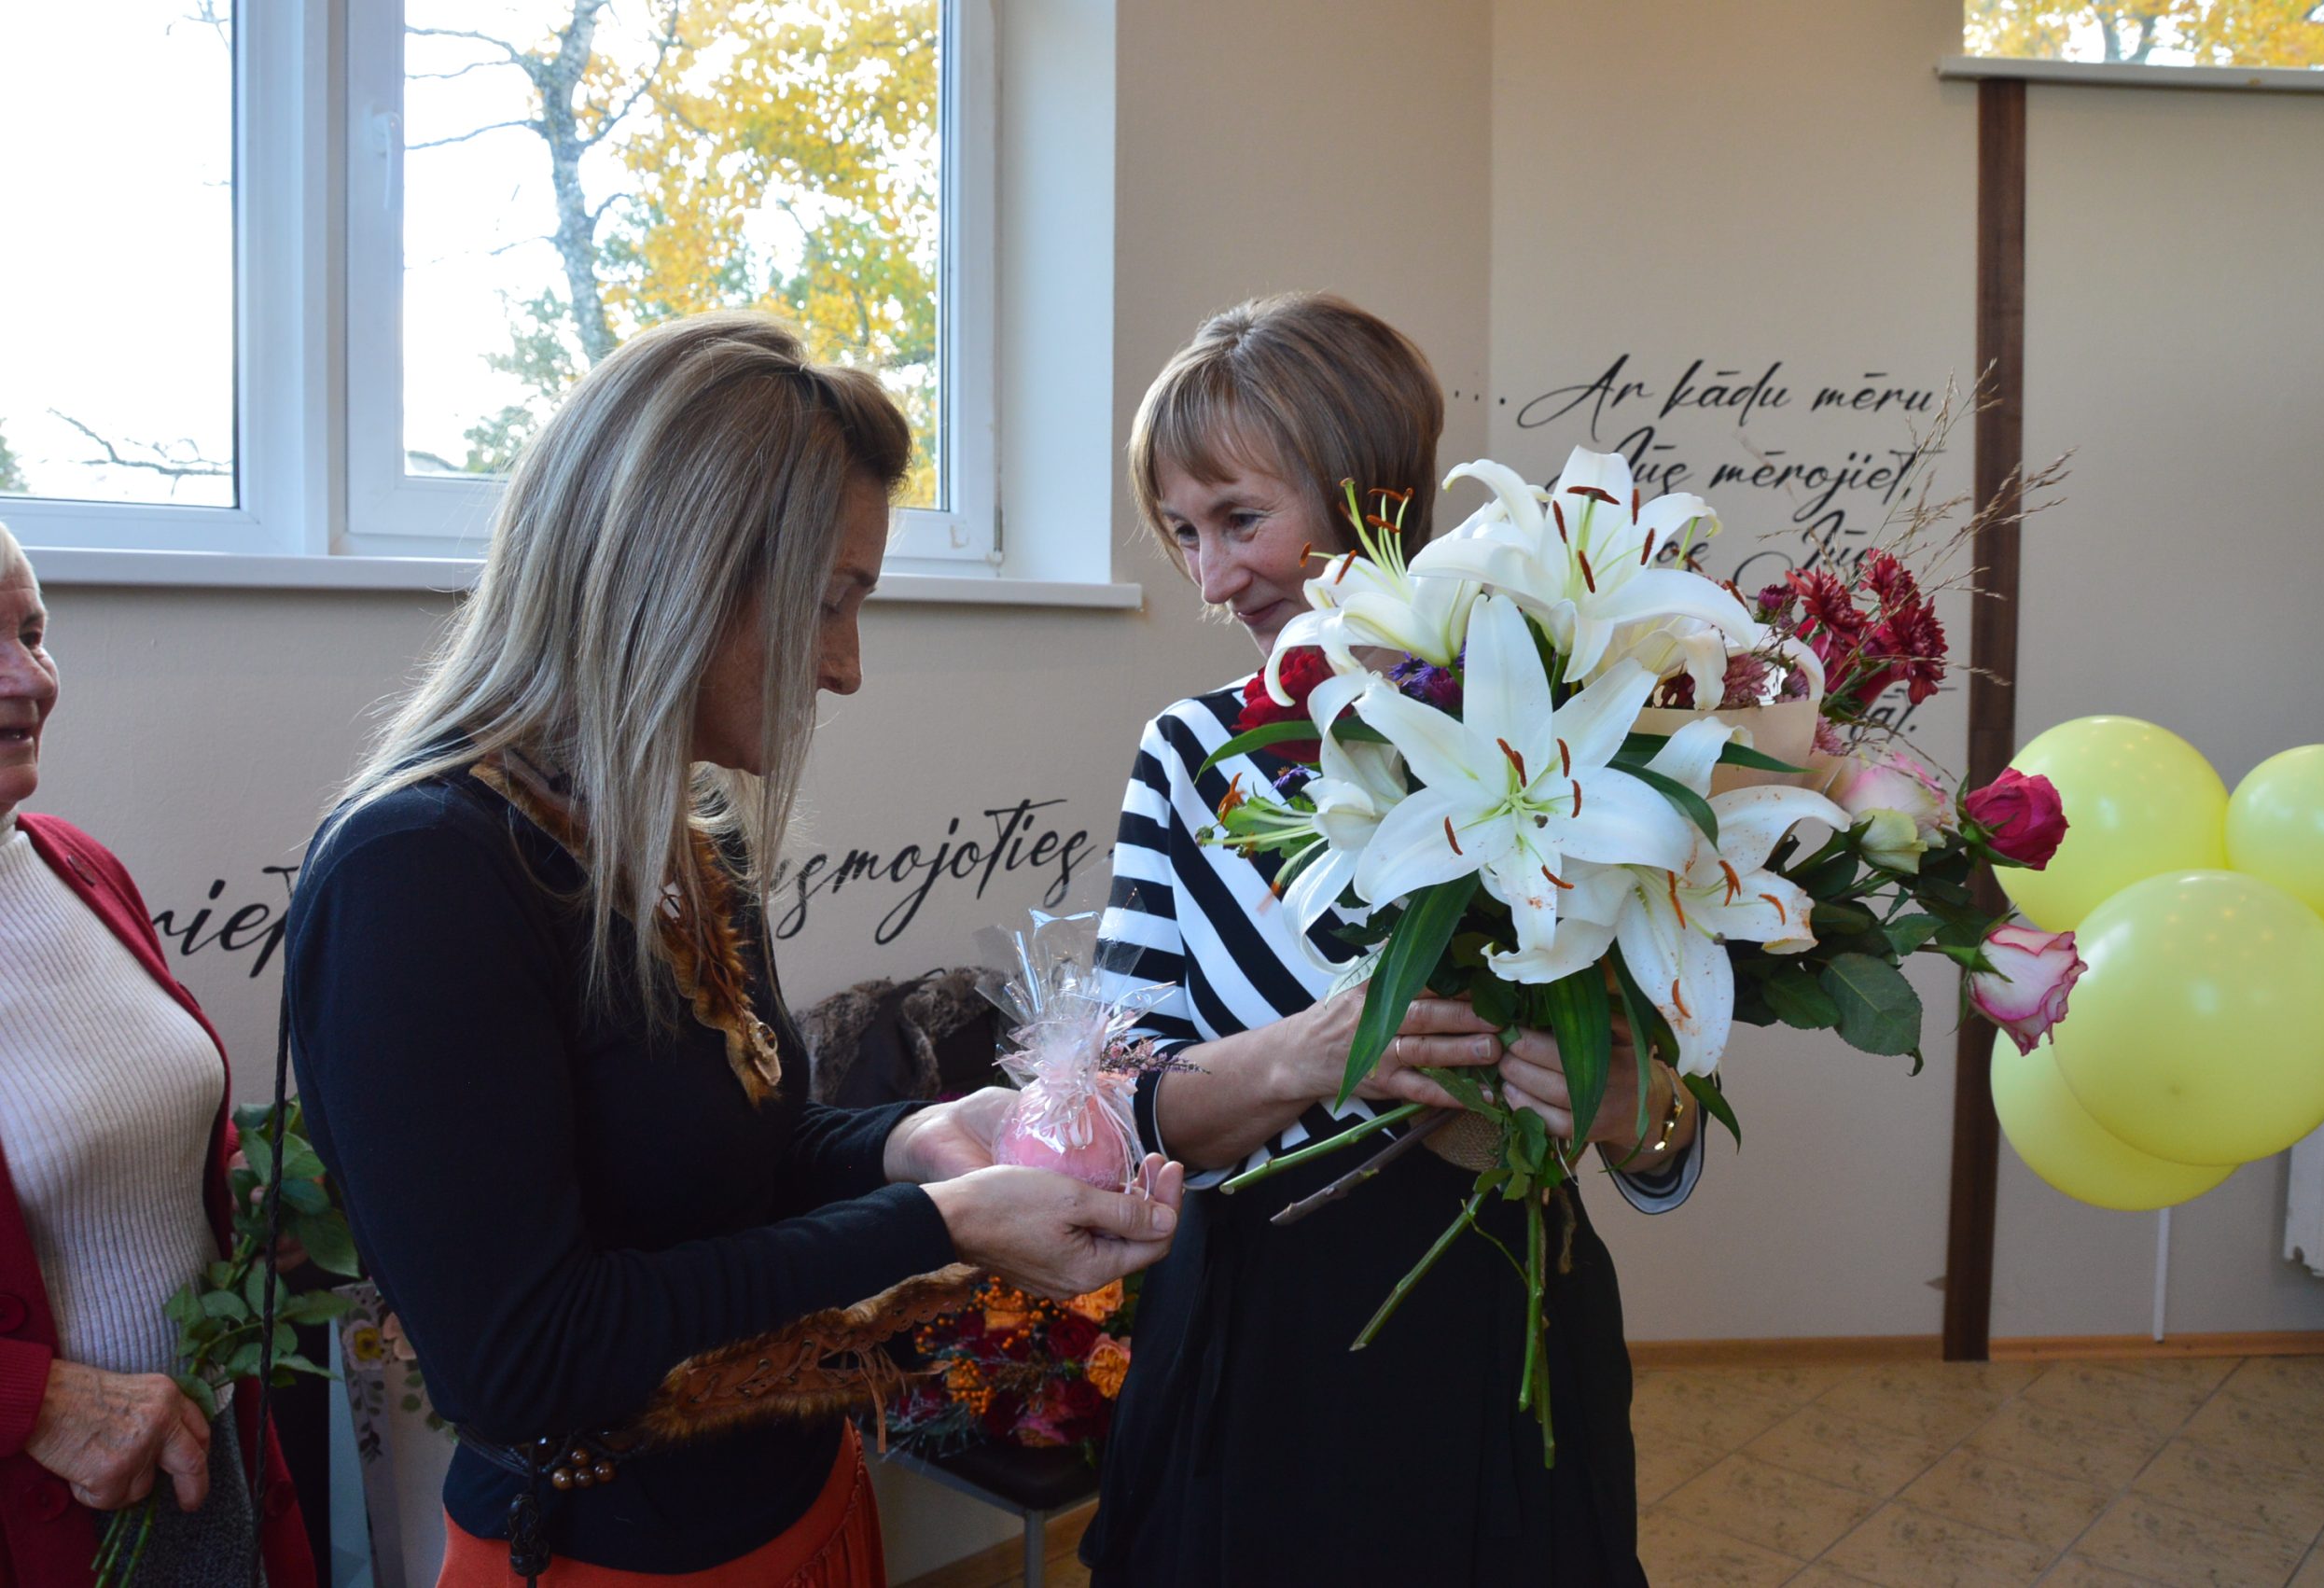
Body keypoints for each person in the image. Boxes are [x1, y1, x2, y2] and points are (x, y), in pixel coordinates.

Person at [281, 313, 1184, 1586]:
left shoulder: (689, 830)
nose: (846, 668)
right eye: (828, 604)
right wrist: (936, 1221)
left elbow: (733, 1162)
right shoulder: (419, 872)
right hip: (610, 1555)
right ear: (677, 570)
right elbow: (525, 1357)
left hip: (803, 1502)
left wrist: (910, 1141)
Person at [1082, 294, 1704, 1587]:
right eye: (1182, 532)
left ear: (1373, 494)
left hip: (1504, 1327)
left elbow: (1664, 1115)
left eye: (1240, 520)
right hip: (1260, 1344)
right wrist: (1305, 1057)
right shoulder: (1191, 756)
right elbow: (1123, 1100)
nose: (1210, 579)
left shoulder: (1560, 723)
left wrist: (1638, 1110)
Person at [0, 523, 315, 1587]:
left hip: (200, 1462)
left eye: (33, 632)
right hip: (44, 1517)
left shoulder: (77, 864)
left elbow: (143, 1134)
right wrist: (33, 1401)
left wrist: (253, 1195)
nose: (29, 680)